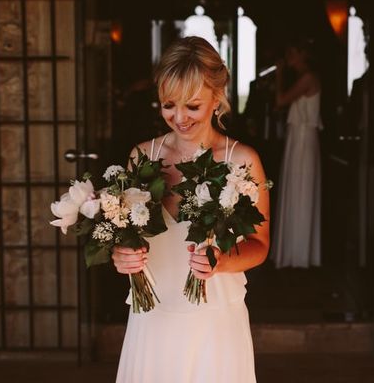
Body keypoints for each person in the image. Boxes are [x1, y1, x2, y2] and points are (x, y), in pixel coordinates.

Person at [112, 36, 270, 383]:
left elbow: (259, 246)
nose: (179, 117)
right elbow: (125, 234)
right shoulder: (142, 157)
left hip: (214, 321)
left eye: (192, 106)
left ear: (217, 98)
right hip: (152, 317)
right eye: (169, 105)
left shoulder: (241, 161)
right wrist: (121, 254)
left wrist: (222, 260)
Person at [270, 36, 322, 268]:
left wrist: (279, 74)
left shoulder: (308, 78)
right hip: (297, 139)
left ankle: (299, 253)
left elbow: (281, 100)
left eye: (292, 52)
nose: (288, 56)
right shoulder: (303, 79)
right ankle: (292, 251)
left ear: (303, 55)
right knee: (295, 188)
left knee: (301, 189)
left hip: (303, 140)